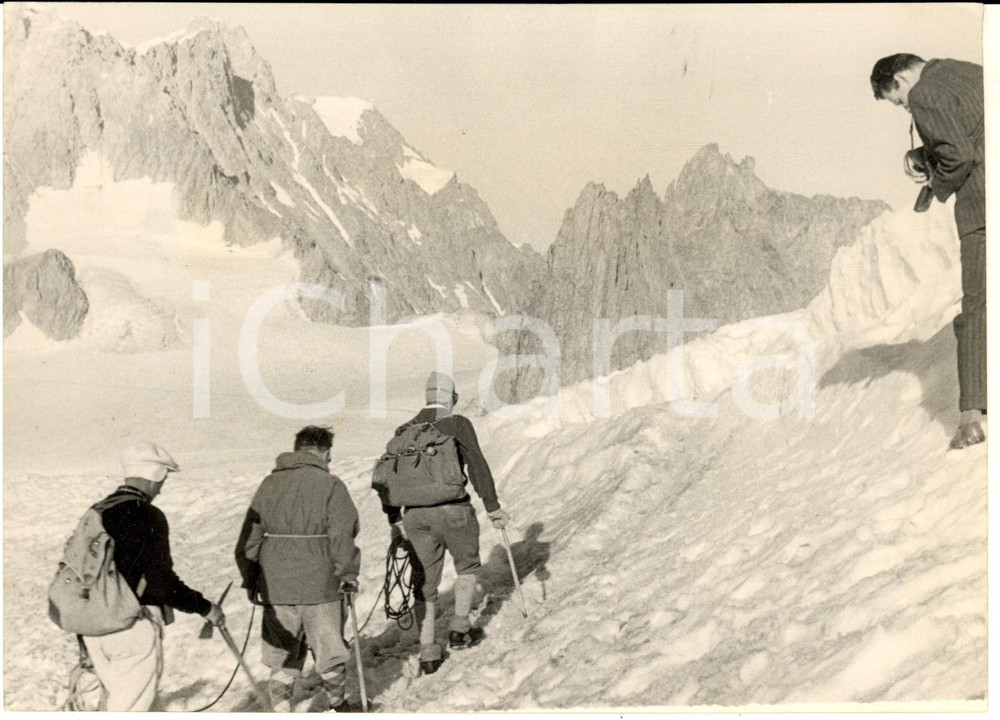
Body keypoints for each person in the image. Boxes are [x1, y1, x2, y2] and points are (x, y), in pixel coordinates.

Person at [870, 53, 986, 449]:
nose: (907, 106)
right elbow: (973, 131)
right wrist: (925, 155)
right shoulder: (966, 71)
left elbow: (961, 156)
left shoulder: (923, 93)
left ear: (902, 80)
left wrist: (935, 185)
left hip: (983, 210)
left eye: (899, 101)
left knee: (977, 308)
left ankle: (971, 419)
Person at [379, 372, 509, 675]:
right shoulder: (457, 424)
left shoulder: (404, 430)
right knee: (466, 567)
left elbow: (388, 477)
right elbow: (477, 465)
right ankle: (460, 629)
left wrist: (394, 518)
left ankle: (428, 651)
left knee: (424, 584)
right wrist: (492, 507)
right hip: (454, 511)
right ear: (452, 398)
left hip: (414, 517)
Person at [81, 441, 226, 711]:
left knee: (116, 703)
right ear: (154, 475)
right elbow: (161, 582)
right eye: (163, 479)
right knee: (133, 708)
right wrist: (204, 607)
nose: (161, 488)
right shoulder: (148, 515)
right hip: (131, 627)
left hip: (93, 627)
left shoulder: (98, 510)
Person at [234, 426, 361, 712]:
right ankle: (339, 706)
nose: (330, 460)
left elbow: (249, 538)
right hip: (321, 584)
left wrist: (252, 578)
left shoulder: (269, 484)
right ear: (324, 451)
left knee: (282, 653)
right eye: (329, 454)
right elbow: (342, 535)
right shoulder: (331, 484)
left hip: (276, 585)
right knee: (329, 649)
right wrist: (348, 575)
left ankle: (281, 712)